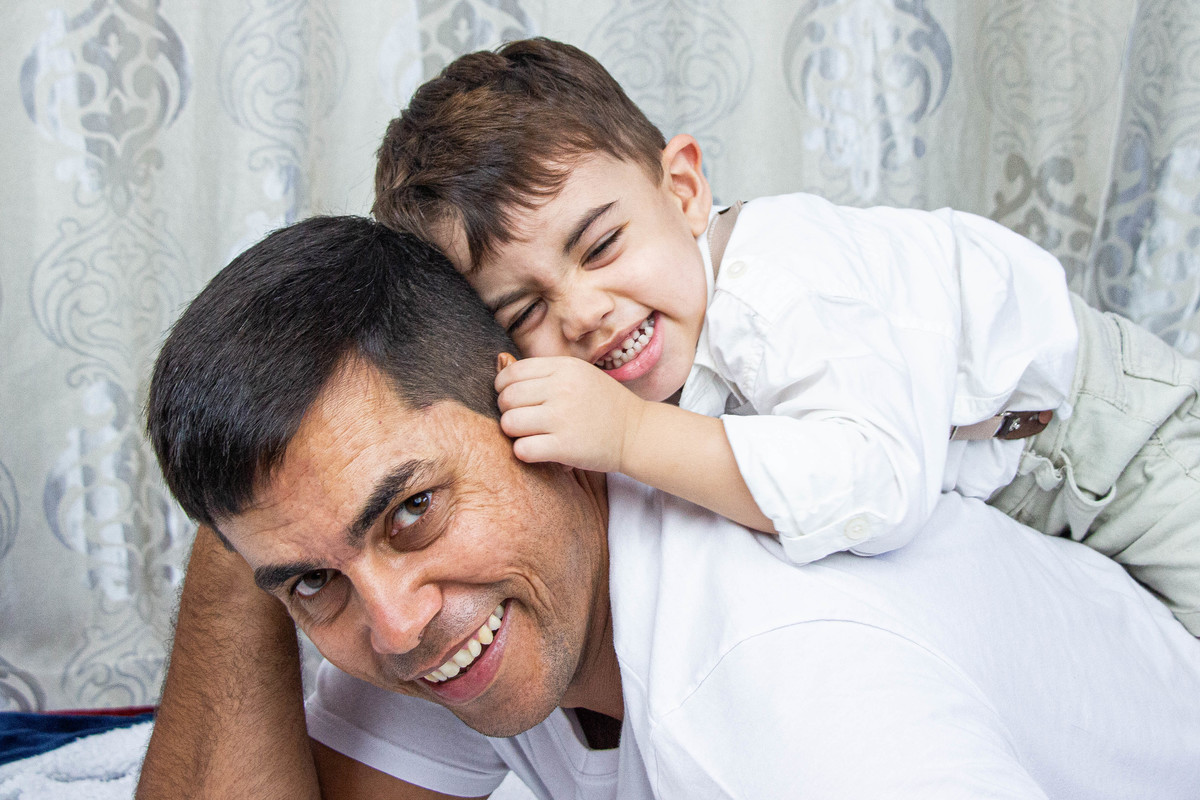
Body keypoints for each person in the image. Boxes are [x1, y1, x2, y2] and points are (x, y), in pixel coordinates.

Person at [137, 215, 1200, 799]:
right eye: (310, 581)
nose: (396, 626)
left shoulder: (786, 686)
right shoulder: (434, 605)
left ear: (541, 409)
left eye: (411, 508)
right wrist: (263, 517)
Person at [372, 38, 1200, 635]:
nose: (583, 312)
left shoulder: (783, 278)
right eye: (523, 311)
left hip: (1116, 442)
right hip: (1005, 485)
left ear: (684, 191)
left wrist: (630, 437)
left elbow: (877, 485)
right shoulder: (662, 344)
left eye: (601, 245)